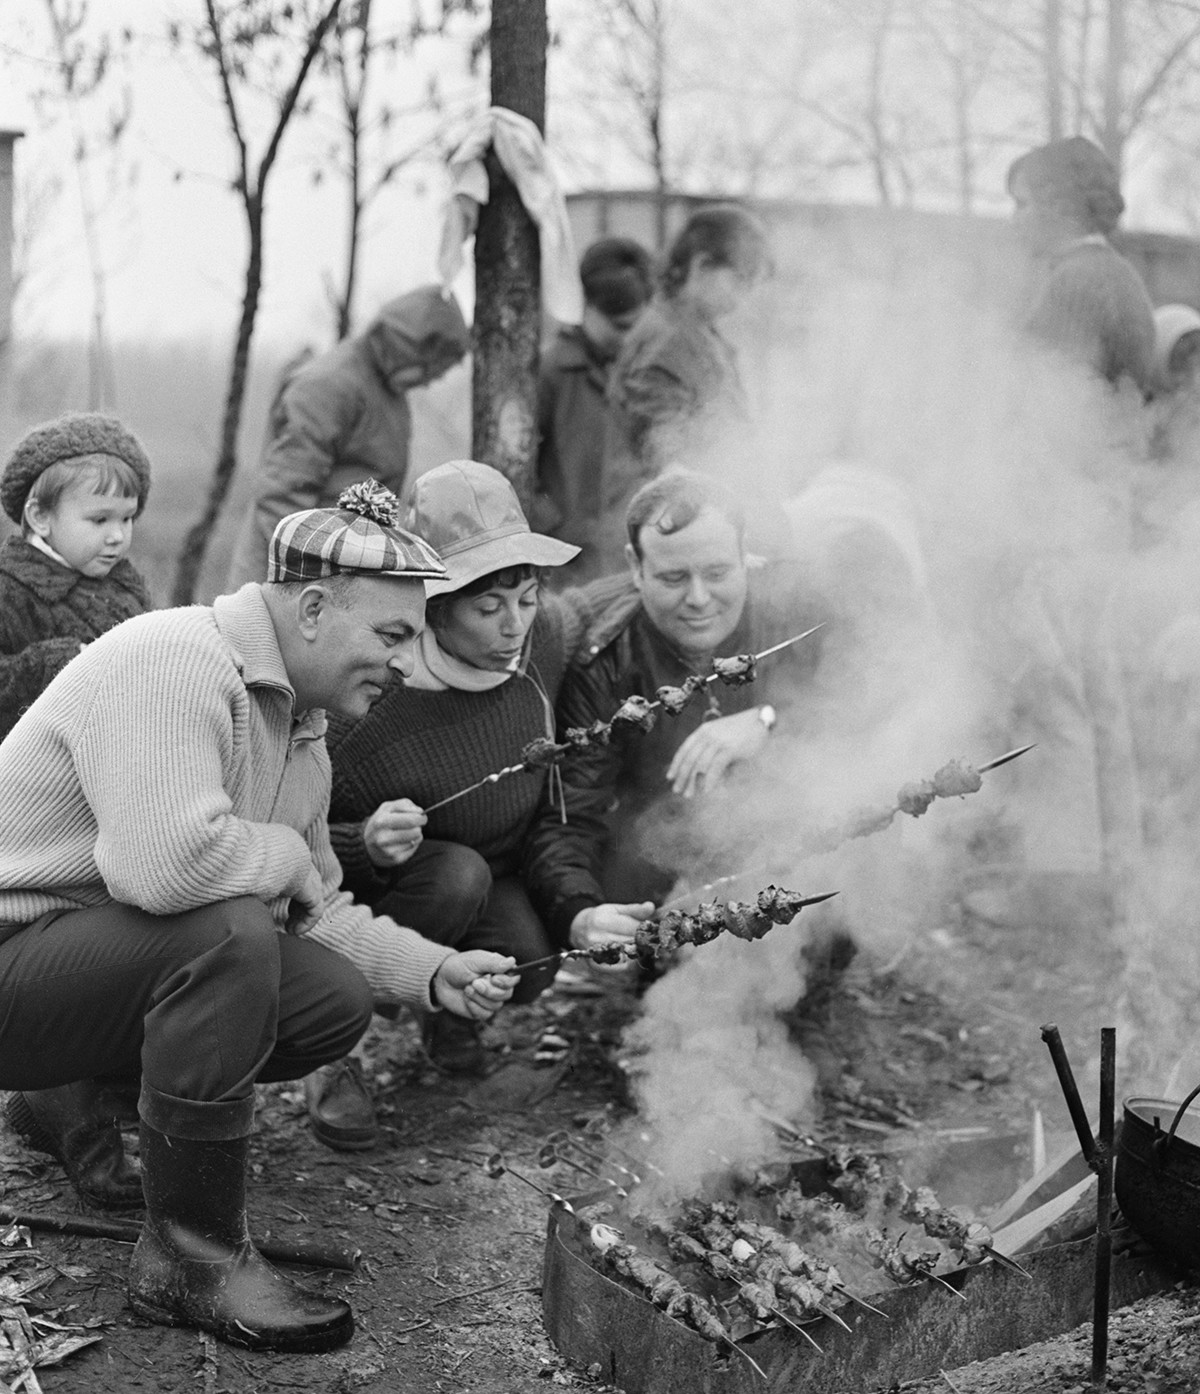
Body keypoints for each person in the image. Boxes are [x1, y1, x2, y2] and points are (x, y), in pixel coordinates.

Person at [0, 480, 516, 1352]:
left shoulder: (300, 728)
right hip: (15, 953)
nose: (403, 664)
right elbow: (167, 870)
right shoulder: (175, 660)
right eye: (391, 635)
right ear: (312, 607)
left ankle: (74, 1093)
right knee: (231, 934)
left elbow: (313, 907)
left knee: (329, 997)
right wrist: (277, 858)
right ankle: (189, 1256)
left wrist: (430, 970)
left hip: (76, 964)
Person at [307, 461, 583, 1146]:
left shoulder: (543, 640)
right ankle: (330, 1043)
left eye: (527, 597)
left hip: (497, 873)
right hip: (392, 884)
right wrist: (361, 840)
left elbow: (613, 605)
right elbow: (296, 832)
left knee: (532, 955)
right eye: (489, 608)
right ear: (433, 604)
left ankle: (448, 1014)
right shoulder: (374, 698)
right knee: (457, 875)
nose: (514, 625)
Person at [523, 468, 819, 959]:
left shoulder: (793, 610)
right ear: (636, 569)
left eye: (718, 573)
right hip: (658, 849)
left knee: (835, 903)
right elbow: (571, 814)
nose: (699, 599)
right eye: (673, 578)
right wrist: (577, 911)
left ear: (746, 557)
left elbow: (862, 718)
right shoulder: (606, 660)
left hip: (786, 833)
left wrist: (770, 720)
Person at [225, 285, 470, 589]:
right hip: (290, 577)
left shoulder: (387, 389)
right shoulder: (328, 386)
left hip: (340, 572)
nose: (431, 380)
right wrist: (309, 582)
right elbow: (282, 498)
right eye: (432, 367)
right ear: (410, 347)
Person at [596, 205, 770, 575]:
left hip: (690, 538)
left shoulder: (696, 332)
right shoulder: (667, 342)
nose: (746, 296)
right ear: (702, 266)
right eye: (741, 279)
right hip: (666, 546)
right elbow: (667, 455)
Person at [0, 413, 153, 742]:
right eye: (100, 520)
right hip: (32, 774)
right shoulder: (9, 590)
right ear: (41, 517)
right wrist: (61, 663)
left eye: (127, 519)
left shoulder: (125, 584)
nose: (117, 536)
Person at [533, 236, 654, 582]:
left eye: (637, 327)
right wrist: (554, 525)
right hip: (565, 563)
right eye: (620, 327)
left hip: (628, 554)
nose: (629, 339)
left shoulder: (642, 372)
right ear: (587, 306)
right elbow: (517, 467)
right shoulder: (552, 370)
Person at [1007, 135, 1155, 393]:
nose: (1014, 220)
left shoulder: (1075, 282)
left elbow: (1043, 401)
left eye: (1022, 204)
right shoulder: (1120, 272)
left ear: (1058, 205)